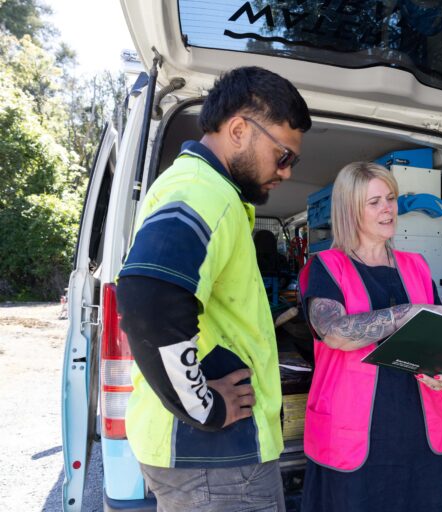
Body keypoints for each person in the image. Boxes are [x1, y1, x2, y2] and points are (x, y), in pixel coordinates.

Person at [116, 66, 311, 512]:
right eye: (283, 155)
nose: (285, 172)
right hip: (215, 461)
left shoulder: (205, 189)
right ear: (239, 130)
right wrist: (204, 406)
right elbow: (149, 298)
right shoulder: (204, 192)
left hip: (208, 459)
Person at [298, 162, 442, 512]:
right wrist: (406, 313)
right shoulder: (326, 266)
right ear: (350, 210)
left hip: (418, 433)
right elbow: (335, 333)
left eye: (390, 198)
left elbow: (434, 338)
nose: (387, 208)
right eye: (374, 201)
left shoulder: (416, 265)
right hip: (355, 435)